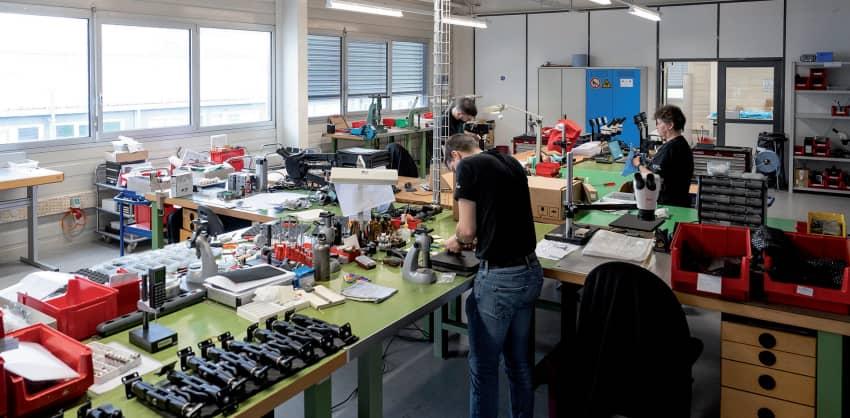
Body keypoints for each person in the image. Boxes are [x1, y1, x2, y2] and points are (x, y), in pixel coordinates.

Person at [444, 133, 543, 418]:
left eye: (452, 169)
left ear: (455, 156)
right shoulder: (509, 161)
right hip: (530, 271)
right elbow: (500, 213)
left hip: (500, 281)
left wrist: (457, 240)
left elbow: (466, 231)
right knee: (519, 364)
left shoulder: (467, 166)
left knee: (484, 368)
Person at [632, 104, 694, 207]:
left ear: (670, 125)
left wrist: (638, 165)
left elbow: (653, 178)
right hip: (680, 201)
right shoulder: (682, 143)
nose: (657, 127)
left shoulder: (670, 148)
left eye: (659, 123)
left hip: (668, 205)